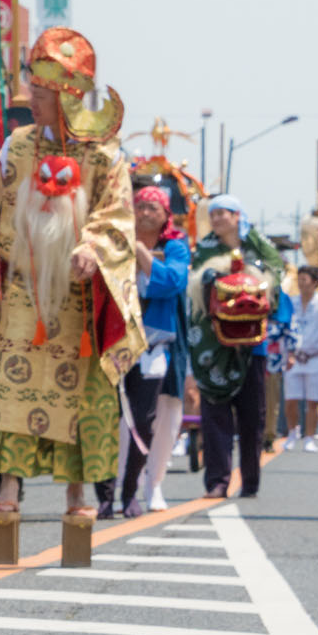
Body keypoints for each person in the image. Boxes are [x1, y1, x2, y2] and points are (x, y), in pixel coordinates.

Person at [0, 29, 146, 526]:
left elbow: (117, 217)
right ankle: (8, 487)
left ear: (70, 98)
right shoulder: (18, 146)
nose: (35, 105)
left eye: (44, 98)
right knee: (13, 389)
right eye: (34, 94)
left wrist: (93, 246)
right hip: (24, 294)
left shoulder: (105, 156)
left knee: (77, 394)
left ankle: (77, 493)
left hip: (76, 300)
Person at [188, 195, 285, 498]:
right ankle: (217, 481)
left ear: (238, 216)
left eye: (223, 213)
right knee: (214, 414)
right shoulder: (204, 248)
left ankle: (251, 480)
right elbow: (193, 288)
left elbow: (277, 272)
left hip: (252, 343)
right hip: (213, 345)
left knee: (251, 416)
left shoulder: (258, 244)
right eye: (213, 214)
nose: (217, 219)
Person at [119, 185, 191, 515]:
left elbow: (172, 283)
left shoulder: (175, 246)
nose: (146, 212)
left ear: (166, 215)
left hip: (161, 346)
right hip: (120, 344)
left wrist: (142, 254)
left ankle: (155, 484)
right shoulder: (116, 240)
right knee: (122, 419)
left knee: (163, 420)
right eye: (140, 206)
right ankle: (123, 486)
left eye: (153, 207)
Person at [285, 265, 318, 453]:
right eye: (299, 279)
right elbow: (284, 330)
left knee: (312, 402)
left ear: (315, 283)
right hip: (294, 357)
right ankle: (292, 433)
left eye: (304, 280)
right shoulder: (291, 302)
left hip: (315, 356)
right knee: (291, 399)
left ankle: (309, 437)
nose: (301, 283)